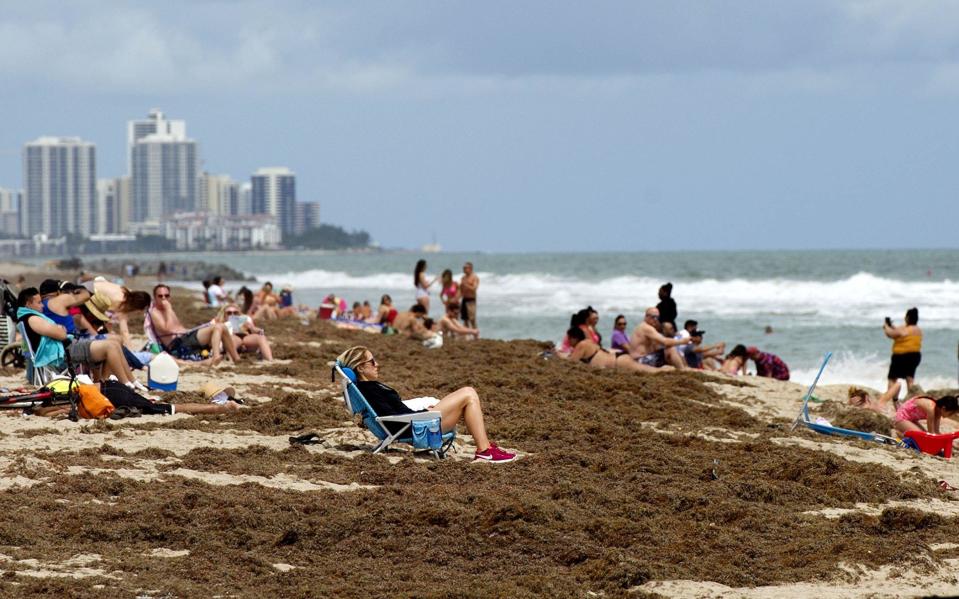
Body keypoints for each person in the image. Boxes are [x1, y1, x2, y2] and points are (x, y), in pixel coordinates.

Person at [337, 346, 517, 462]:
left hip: (413, 423)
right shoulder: (370, 389)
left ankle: (485, 448)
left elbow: (393, 413)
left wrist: (424, 410)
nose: (377, 364)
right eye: (372, 361)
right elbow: (393, 418)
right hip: (416, 428)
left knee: (468, 396)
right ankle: (484, 450)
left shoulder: (367, 388)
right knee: (469, 393)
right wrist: (423, 414)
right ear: (360, 368)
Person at [17, 287, 144, 390]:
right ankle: (126, 385)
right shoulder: (33, 318)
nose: (42, 306)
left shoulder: (32, 317)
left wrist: (58, 329)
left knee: (113, 344)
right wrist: (59, 329)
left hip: (65, 349)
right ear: (28, 304)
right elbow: (61, 335)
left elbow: (57, 331)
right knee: (110, 346)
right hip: (63, 353)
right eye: (38, 303)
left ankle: (125, 382)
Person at [148, 285, 241, 365]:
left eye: (166, 296)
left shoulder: (169, 310)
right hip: (176, 345)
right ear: (155, 297)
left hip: (185, 337)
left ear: (169, 297)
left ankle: (236, 359)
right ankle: (216, 356)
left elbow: (178, 328)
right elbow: (167, 329)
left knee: (221, 326)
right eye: (160, 296)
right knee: (217, 327)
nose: (164, 298)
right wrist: (168, 309)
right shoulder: (155, 312)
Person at [77, 278, 152, 348]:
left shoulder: (128, 293)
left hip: (88, 287)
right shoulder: (121, 301)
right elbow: (124, 328)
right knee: (98, 329)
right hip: (87, 292)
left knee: (101, 326)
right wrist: (128, 345)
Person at [564, 327, 657, 373]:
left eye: (569, 338)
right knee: (651, 370)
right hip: (618, 359)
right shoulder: (588, 342)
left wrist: (556, 354)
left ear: (574, 338)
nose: (568, 341)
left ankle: (670, 369)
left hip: (618, 362)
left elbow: (571, 362)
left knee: (654, 371)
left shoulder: (581, 345)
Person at [884, 307, 922, 393]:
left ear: (908, 317)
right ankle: (911, 397)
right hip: (915, 356)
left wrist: (886, 326)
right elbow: (899, 332)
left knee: (892, 378)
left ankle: (890, 397)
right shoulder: (918, 329)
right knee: (910, 378)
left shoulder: (906, 329)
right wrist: (892, 326)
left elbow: (891, 334)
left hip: (902, 356)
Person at [892, 394, 959, 435]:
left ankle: (902, 432)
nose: (951, 415)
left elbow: (936, 431)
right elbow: (931, 433)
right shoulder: (931, 408)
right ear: (943, 408)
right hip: (901, 417)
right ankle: (899, 433)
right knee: (922, 436)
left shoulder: (938, 412)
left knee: (923, 433)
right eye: (951, 413)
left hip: (911, 420)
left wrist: (950, 442)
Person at [460, 262, 479, 329]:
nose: (464, 269)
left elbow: (474, 288)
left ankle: (475, 335)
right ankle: (466, 336)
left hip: (471, 300)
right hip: (464, 299)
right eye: (463, 268)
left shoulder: (474, 277)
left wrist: (466, 285)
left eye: (465, 268)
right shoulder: (463, 278)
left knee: (472, 319)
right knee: (465, 319)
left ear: (470, 269)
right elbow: (461, 290)